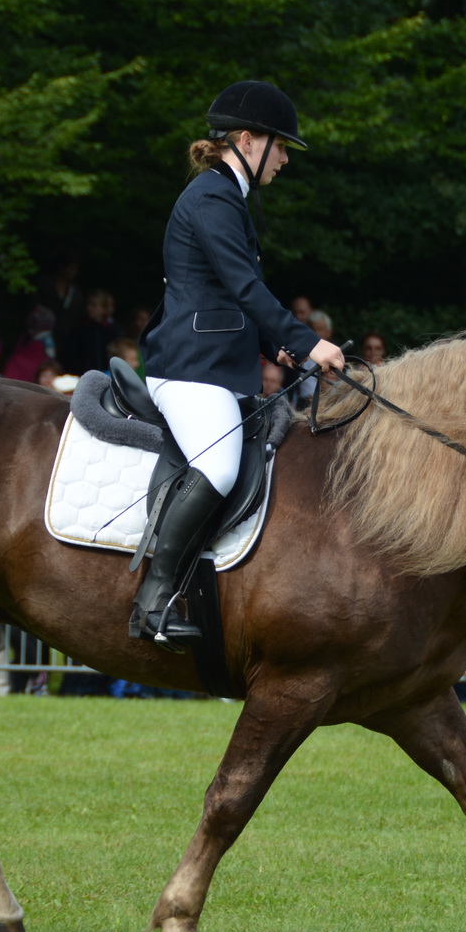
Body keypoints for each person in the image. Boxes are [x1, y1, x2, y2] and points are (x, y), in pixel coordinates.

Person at [131, 80, 344, 649]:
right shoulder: (211, 197)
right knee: (221, 467)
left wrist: (272, 347)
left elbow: (220, 298)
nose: (284, 160)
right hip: (188, 368)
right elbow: (244, 286)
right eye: (280, 148)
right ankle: (152, 599)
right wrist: (307, 342)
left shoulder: (227, 198)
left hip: (216, 365)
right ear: (247, 141)